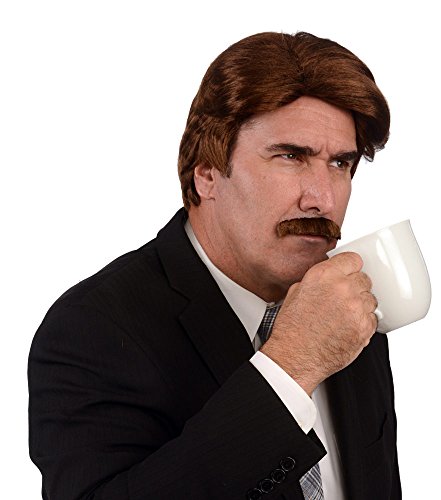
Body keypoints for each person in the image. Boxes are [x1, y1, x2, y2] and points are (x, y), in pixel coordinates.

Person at [28, 31, 401, 499]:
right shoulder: (90, 329)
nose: (323, 199)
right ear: (206, 173)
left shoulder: (351, 309)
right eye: (290, 156)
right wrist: (290, 368)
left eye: (341, 164)